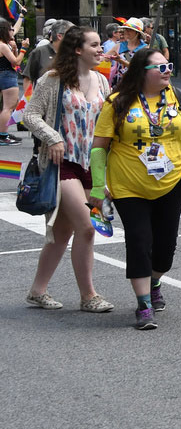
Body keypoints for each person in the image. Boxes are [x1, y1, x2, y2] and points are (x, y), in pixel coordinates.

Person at [91, 48, 181, 329]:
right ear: (141, 72)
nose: (168, 70)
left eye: (169, 65)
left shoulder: (180, 99)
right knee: (139, 240)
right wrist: (98, 186)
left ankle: (155, 281)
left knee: (165, 248)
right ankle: (144, 305)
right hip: (128, 185)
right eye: (161, 67)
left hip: (172, 181)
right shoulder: (117, 102)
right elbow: (99, 149)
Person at [22, 26, 114, 313]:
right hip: (62, 164)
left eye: (100, 45)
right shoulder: (52, 80)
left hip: (93, 165)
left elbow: (108, 121)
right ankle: (89, 296)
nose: (101, 50)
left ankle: (37, 291)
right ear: (77, 49)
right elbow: (29, 115)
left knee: (62, 233)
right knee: (86, 228)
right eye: (95, 45)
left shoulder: (101, 80)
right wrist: (53, 138)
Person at [0, 20, 27, 145]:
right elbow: (16, 62)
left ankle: (3, 132)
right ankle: (3, 136)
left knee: (11, 103)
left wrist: (15, 49)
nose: (12, 31)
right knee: (8, 107)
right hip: (7, 75)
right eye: (10, 29)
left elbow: (14, 60)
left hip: (5, 74)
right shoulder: (3, 45)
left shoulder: (5, 45)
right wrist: (24, 49)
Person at [111, 19, 147, 87]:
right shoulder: (119, 46)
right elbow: (105, 58)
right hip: (120, 85)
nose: (126, 32)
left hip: (137, 84)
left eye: (129, 30)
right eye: (125, 29)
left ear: (137, 33)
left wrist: (121, 61)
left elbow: (138, 68)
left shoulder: (145, 48)